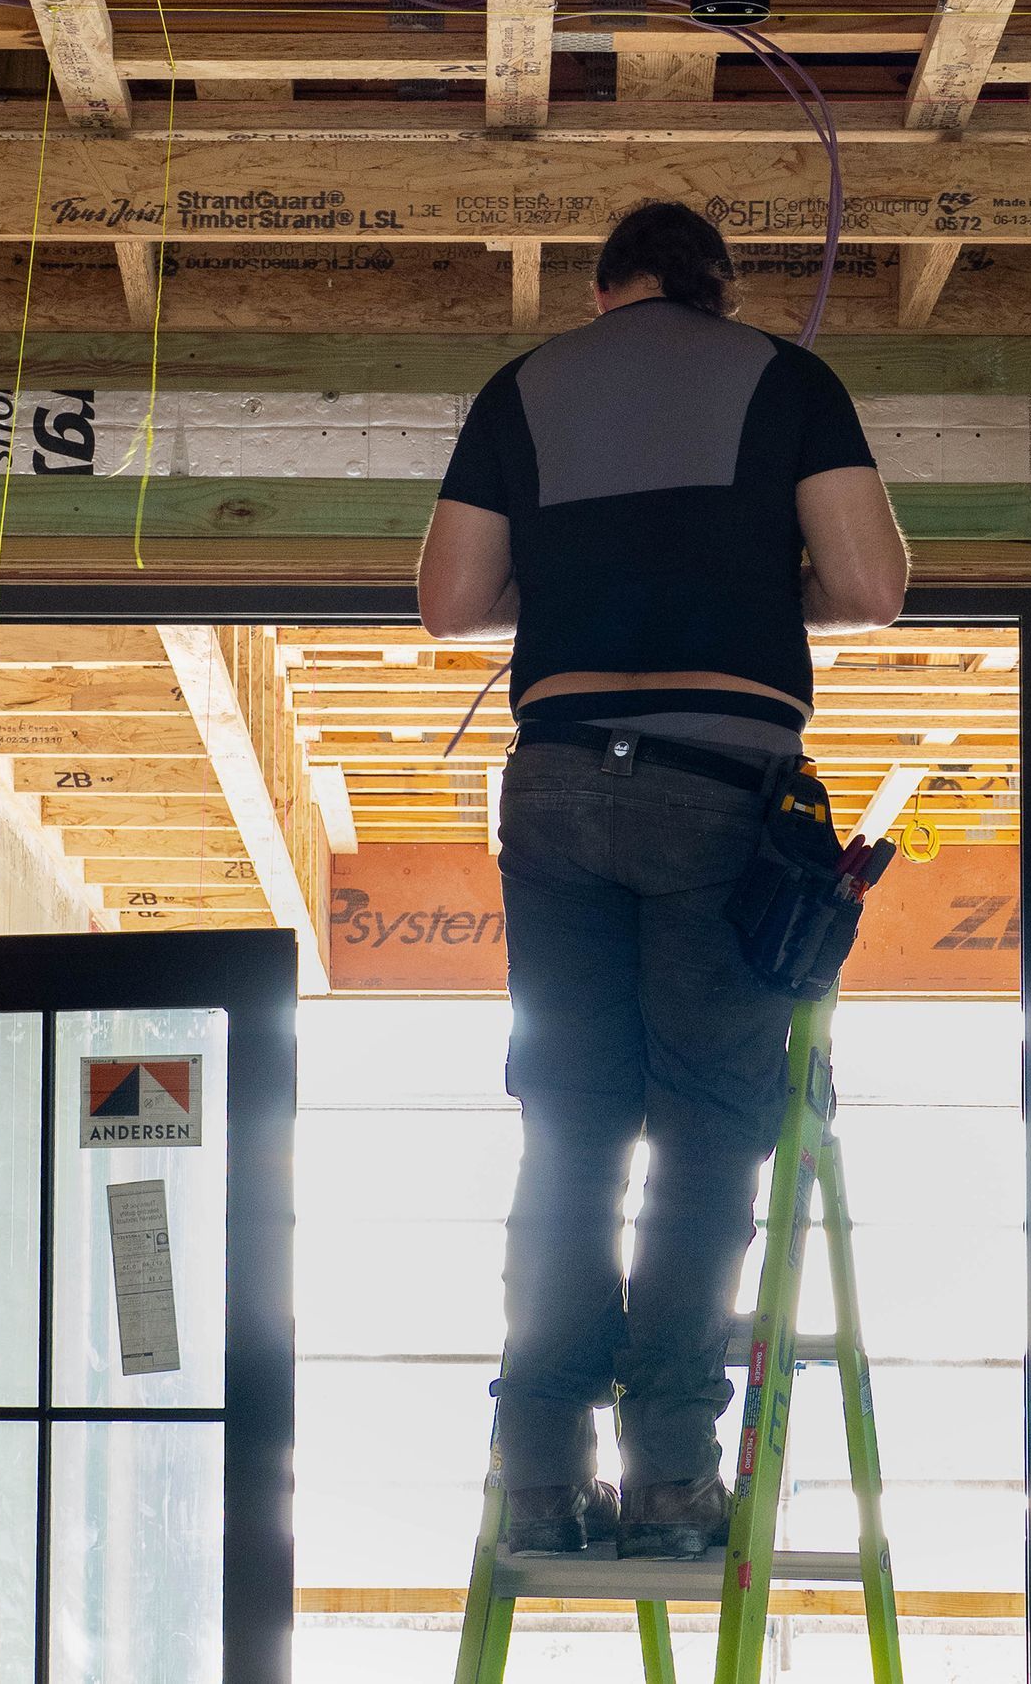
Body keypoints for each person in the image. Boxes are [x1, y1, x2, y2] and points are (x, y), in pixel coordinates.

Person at [418, 201, 908, 1560]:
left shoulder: (523, 390)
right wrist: (750, 586)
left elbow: (452, 603)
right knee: (704, 1138)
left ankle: (539, 1471)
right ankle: (678, 1477)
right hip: (720, 784)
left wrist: (583, 591)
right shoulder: (786, 380)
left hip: (561, 775)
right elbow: (872, 587)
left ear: (602, 289)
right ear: (718, 287)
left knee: (570, 1137)